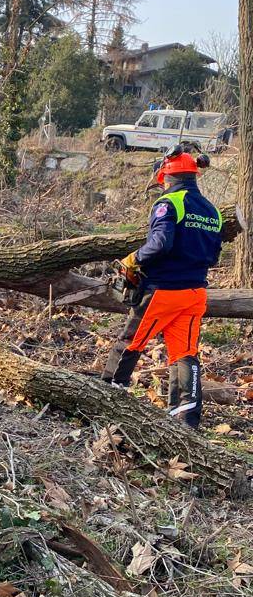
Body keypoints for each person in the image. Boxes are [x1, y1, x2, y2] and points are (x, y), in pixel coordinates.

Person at [101, 146, 222, 429]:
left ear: (166, 176)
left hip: (162, 292)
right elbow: (214, 256)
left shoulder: (168, 203)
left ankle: (106, 398)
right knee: (184, 353)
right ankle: (186, 419)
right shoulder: (212, 211)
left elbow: (160, 243)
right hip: (195, 294)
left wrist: (134, 259)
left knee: (129, 343)